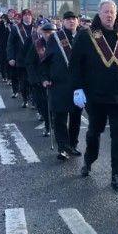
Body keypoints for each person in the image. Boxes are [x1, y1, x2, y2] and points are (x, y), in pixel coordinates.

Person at [70, 0, 118, 190]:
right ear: (99, 13)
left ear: (116, 14)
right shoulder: (85, 36)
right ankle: (89, 160)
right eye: (105, 12)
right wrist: (77, 88)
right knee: (94, 133)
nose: (109, 15)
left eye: (112, 12)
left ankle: (117, 174)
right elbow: (75, 65)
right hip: (95, 96)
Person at [40, 11, 83, 160]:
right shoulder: (55, 38)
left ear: (77, 21)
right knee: (60, 117)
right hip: (59, 83)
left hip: (78, 85)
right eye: (68, 19)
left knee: (76, 117)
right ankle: (63, 147)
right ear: (63, 22)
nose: (71, 21)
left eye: (74, 19)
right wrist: (45, 77)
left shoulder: (83, 37)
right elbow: (45, 60)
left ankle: (73, 144)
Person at [25, 20, 53, 137]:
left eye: (51, 32)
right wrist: (36, 79)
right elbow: (29, 63)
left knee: (55, 106)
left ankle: (55, 126)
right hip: (39, 80)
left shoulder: (59, 44)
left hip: (54, 79)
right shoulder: (37, 44)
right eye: (46, 32)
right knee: (43, 105)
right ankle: (48, 124)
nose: (48, 34)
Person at [7, 9, 35, 107]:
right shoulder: (16, 28)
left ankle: (34, 100)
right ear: (22, 17)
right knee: (23, 81)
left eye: (29, 15)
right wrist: (11, 57)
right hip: (21, 59)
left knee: (34, 81)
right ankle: (25, 98)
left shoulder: (36, 28)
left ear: (31, 16)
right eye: (25, 15)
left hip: (34, 60)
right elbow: (10, 44)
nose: (27, 17)